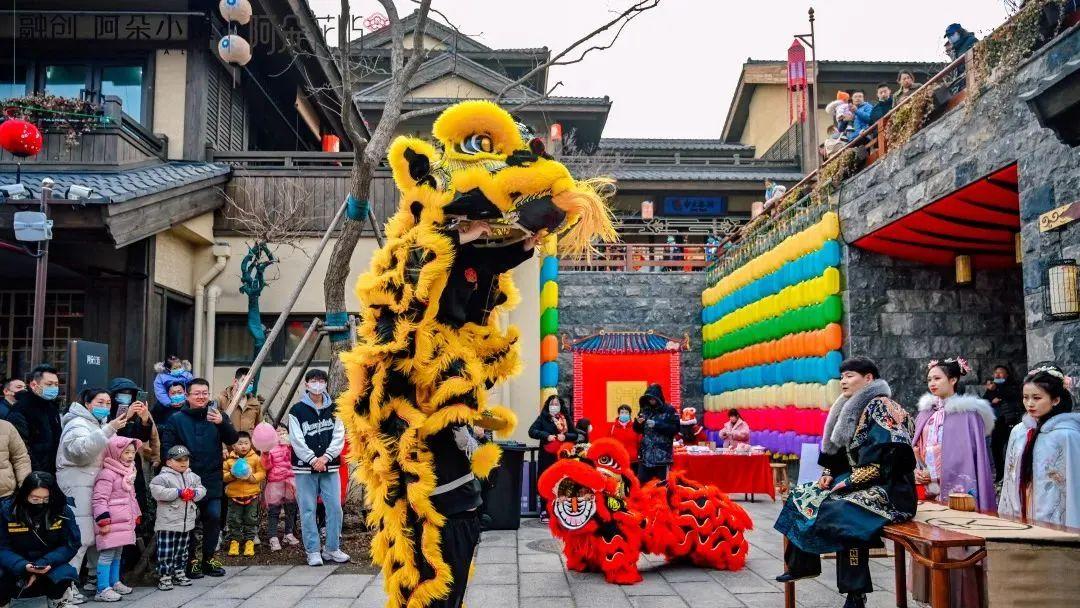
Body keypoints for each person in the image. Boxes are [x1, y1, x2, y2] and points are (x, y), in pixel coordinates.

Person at [774, 357, 915, 608]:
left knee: (839, 511)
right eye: (842, 377)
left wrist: (849, 481)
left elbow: (891, 458)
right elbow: (839, 453)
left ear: (869, 378)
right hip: (856, 482)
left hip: (889, 488)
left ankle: (855, 593)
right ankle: (803, 564)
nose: (843, 381)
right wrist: (829, 472)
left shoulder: (882, 406)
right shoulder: (847, 407)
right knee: (803, 497)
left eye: (850, 375)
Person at [55, 389, 132, 604]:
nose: (105, 406)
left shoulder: (101, 423)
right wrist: (109, 429)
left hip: (98, 486)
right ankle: (66, 588)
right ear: (87, 403)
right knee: (80, 538)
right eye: (100, 402)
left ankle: (97, 581)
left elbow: (115, 451)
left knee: (101, 537)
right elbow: (80, 452)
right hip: (78, 486)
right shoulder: (76, 423)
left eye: (108, 402)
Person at [159, 378, 239, 579]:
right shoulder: (176, 419)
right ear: (188, 395)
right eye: (197, 393)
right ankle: (190, 560)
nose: (201, 396)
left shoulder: (217, 415)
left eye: (205, 392)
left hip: (212, 477)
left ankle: (208, 559)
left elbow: (232, 440)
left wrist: (222, 424)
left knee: (213, 518)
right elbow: (167, 449)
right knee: (189, 521)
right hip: (187, 479)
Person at [998, 364, 1079, 527]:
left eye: (1037, 398)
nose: (1029, 404)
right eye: (1025, 397)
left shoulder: (1067, 435)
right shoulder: (1019, 431)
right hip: (1021, 506)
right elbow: (1009, 477)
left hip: (1054, 515)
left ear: (1055, 400)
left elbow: (1075, 486)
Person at [913, 357, 995, 510]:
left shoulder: (968, 415)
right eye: (929, 379)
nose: (932, 383)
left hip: (955, 485)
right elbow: (917, 446)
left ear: (953, 380)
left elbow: (966, 457)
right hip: (926, 483)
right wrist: (919, 470)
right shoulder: (926, 413)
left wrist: (936, 472)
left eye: (937, 378)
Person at [286, 369, 348, 567]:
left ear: (326, 384)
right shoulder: (296, 410)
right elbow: (296, 439)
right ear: (306, 384)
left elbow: (339, 435)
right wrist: (313, 459)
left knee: (335, 508)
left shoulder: (336, 409)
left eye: (321, 381)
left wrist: (327, 457)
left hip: (330, 467)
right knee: (307, 509)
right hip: (305, 468)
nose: (317, 384)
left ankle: (332, 548)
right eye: (313, 381)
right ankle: (312, 550)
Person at [0, 471, 80, 608]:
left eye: (45, 499)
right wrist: (23, 566)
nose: (40, 503)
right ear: (25, 495)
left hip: (48, 561)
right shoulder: (8, 511)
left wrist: (45, 563)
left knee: (65, 574)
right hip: (15, 562)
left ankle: (58, 601)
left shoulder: (61, 510)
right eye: (35, 499)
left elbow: (71, 544)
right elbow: (2, 547)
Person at [90, 437, 141, 602]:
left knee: (118, 553)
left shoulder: (128, 472)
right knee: (107, 554)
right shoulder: (107, 473)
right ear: (115, 452)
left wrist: (135, 515)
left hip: (123, 522)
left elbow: (131, 497)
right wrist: (103, 520)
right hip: (110, 522)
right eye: (126, 452)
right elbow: (99, 499)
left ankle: (114, 582)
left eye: (132, 452)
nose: (130, 456)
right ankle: (102, 588)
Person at [149, 445, 205, 591]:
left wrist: (193, 493)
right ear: (168, 462)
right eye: (178, 459)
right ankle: (165, 576)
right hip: (168, 522)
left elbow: (202, 490)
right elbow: (157, 492)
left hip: (186, 522)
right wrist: (178, 492)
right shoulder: (162, 477)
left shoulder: (192, 476)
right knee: (166, 551)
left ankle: (179, 572)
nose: (183, 462)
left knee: (182, 549)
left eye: (186, 459)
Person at [528, 395, 577, 522]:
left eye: (556, 404)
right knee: (547, 480)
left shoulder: (565, 418)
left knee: (563, 481)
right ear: (548, 405)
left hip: (563, 456)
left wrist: (565, 437)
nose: (554, 406)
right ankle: (545, 510)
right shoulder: (543, 418)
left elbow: (575, 435)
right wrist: (546, 436)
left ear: (561, 405)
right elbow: (532, 431)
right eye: (552, 403)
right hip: (547, 456)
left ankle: (561, 509)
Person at [9, 364, 63, 473]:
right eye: (49, 384)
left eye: (56, 384)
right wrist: (37, 476)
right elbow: (20, 449)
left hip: (53, 471)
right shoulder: (21, 409)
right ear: (34, 385)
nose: (54, 388)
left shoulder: (52, 408)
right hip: (33, 474)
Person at [222, 432, 265, 557]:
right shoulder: (229, 460)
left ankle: (249, 542)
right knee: (234, 520)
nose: (243, 446)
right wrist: (232, 474)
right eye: (239, 444)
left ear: (250, 443)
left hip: (251, 495)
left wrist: (253, 478)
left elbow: (262, 472)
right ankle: (235, 542)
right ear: (234, 446)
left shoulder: (255, 458)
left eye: (246, 443)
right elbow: (223, 476)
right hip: (234, 496)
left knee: (251, 519)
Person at [262, 425, 299, 551]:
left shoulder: (293, 446)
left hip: (291, 481)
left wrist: (292, 446)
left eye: (284, 430)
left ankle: (288, 533)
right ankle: (273, 537)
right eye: (278, 431)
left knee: (291, 509)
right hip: (276, 482)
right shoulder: (270, 448)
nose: (282, 433)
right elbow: (266, 466)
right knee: (274, 510)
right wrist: (266, 454)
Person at [632, 384, 678, 484]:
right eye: (649, 399)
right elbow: (638, 430)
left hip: (662, 457)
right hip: (645, 456)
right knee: (642, 485)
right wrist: (637, 423)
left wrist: (657, 425)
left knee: (662, 487)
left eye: (653, 398)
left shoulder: (669, 410)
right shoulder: (645, 409)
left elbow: (675, 429)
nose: (651, 401)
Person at [985, 365, 1023, 484]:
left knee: (1011, 448)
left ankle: (1013, 475)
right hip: (998, 422)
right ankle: (1000, 474)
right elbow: (985, 400)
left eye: (1001, 373)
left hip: (1011, 421)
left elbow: (1012, 395)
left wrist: (997, 390)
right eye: (996, 373)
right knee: (995, 448)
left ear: (1007, 375)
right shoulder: (993, 387)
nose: (997, 375)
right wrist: (991, 395)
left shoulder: (1012, 386)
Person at [218, 368, 264, 435]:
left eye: (251, 382)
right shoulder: (221, 400)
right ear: (235, 381)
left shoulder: (255, 403)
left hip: (248, 444)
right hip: (228, 444)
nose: (248, 385)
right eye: (244, 381)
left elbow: (260, 426)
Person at [608, 405, 640, 470]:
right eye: (622, 412)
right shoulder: (612, 428)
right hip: (618, 460)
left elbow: (640, 443)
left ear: (630, 414)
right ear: (619, 414)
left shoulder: (636, 427)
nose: (624, 414)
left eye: (626, 412)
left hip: (634, 461)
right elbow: (609, 443)